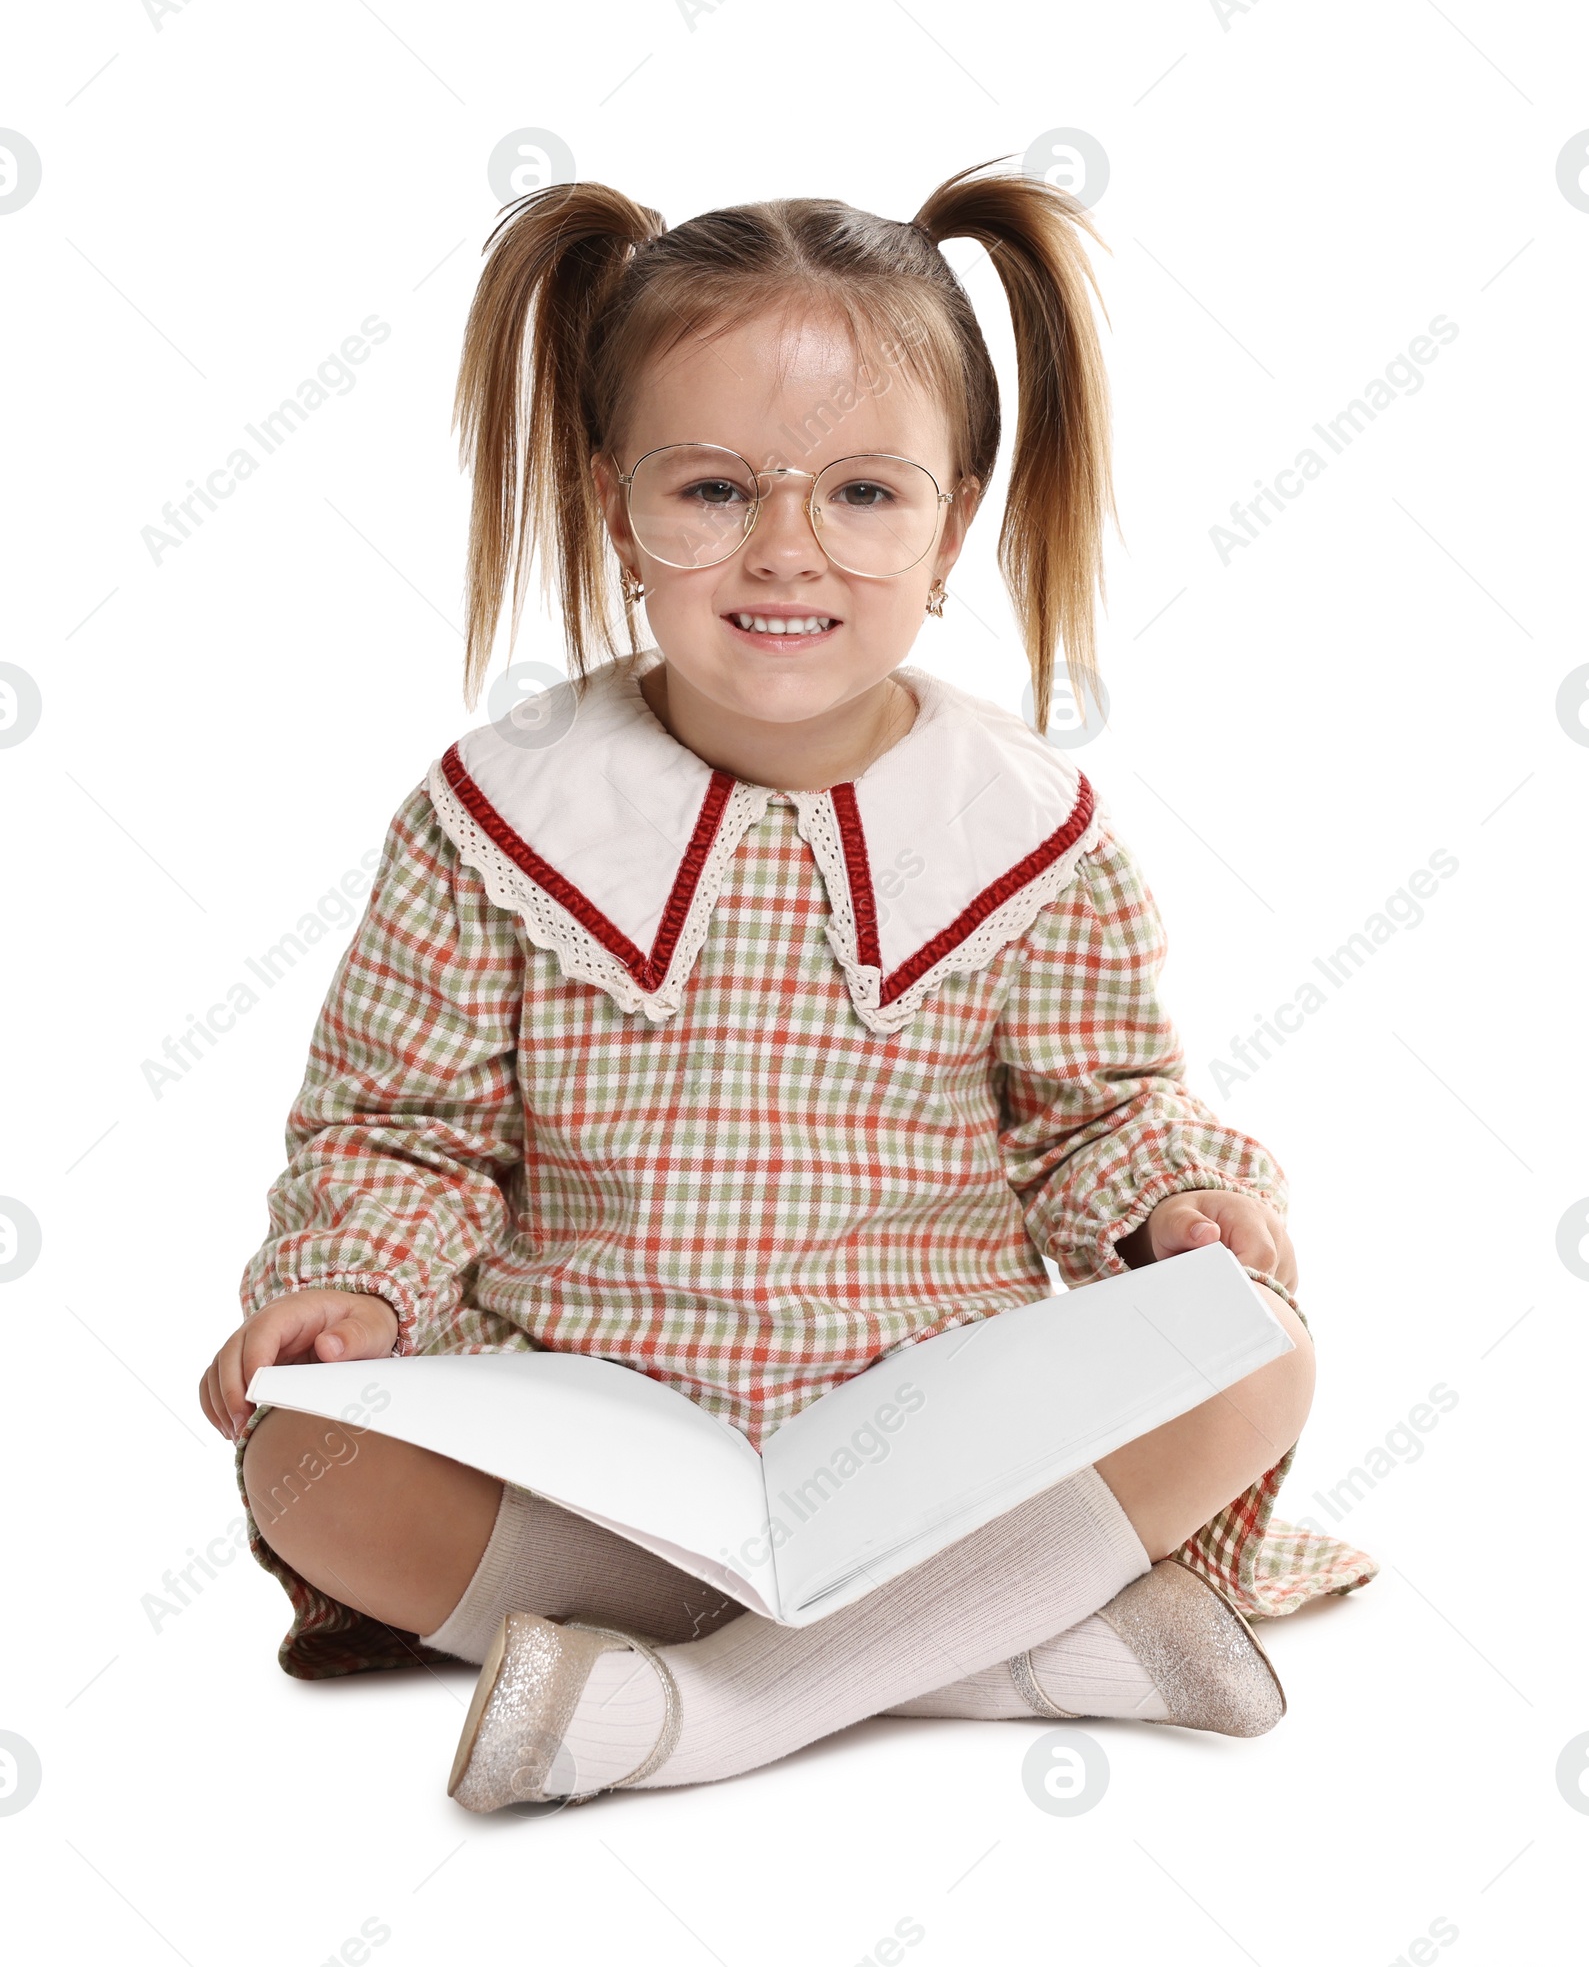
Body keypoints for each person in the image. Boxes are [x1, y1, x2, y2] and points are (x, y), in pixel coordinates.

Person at [197, 161, 1377, 1809]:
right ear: (616, 501)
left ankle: (712, 1708)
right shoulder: (497, 817)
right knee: (301, 1454)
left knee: (1259, 1348)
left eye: (864, 496)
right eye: (716, 489)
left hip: (934, 1433)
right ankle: (985, 1651)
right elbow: (401, 1134)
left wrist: (1173, 1205)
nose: (788, 551)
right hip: (587, 1432)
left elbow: (1098, 1117)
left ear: (954, 520)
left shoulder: (1025, 834)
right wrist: (359, 1291)